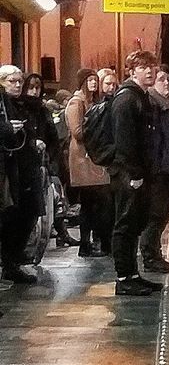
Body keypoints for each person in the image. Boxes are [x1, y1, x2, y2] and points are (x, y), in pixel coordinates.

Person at [108, 51, 163, 296]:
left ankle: (132, 274)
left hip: (136, 172)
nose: (150, 70)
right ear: (131, 71)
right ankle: (123, 278)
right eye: (143, 67)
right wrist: (134, 173)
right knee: (125, 224)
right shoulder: (127, 99)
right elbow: (125, 141)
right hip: (128, 174)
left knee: (133, 224)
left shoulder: (140, 96)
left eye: (152, 65)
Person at [138, 64, 169, 274]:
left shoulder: (166, 106)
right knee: (156, 215)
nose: (166, 83)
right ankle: (150, 256)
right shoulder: (154, 105)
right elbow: (155, 141)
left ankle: (155, 254)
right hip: (160, 170)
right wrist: (157, 167)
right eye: (161, 79)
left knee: (162, 214)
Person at [21, 73, 77, 249]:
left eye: (38, 87)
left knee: (55, 198)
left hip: (46, 162)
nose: (35, 91)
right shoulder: (20, 108)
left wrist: (54, 163)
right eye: (31, 87)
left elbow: (53, 137)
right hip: (28, 163)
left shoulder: (43, 110)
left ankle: (61, 233)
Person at [0, 65, 41, 283]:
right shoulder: (3, 105)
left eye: (19, 81)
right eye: (11, 81)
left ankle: (13, 261)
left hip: (26, 167)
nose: (17, 85)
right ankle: (9, 262)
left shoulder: (24, 104)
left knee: (28, 214)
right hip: (9, 169)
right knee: (10, 217)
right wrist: (7, 129)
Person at [66, 68, 112, 257]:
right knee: (89, 203)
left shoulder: (94, 102)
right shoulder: (76, 103)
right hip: (83, 158)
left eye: (95, 80)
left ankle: (94, 242)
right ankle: (85, 244)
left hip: (94, 157)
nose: (93, 83)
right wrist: (98, 130)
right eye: (89, 80)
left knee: (97, 203)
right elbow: (77, 132)